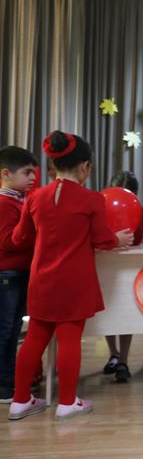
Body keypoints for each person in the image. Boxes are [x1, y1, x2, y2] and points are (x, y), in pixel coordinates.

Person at [7, 131, 133, 421]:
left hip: (41, 279)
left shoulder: (35, 197)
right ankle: (67, 403)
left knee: (34, 339)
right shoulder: (91, 199)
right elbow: (102, 240)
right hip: (74, 282)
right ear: (85, 166)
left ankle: (20, 401)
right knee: (69, 340)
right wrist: (118, 239)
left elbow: (19, 238)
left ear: (53, 165)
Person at [0, 146, 38, 404]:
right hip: (7, 275)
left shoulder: (19, 200)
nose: (33, 178)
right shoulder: (5, 203)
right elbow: (7, 241)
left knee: (13, 330)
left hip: (20, 273)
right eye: (27, 173)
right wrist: (32, 228)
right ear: (6, 174)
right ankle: (3, 385)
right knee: (5, 331)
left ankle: (8, 381)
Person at [101, 170, 141, 383]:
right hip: (106, 264)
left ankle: (123, 359)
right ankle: (113, 354)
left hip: (127, 266)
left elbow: (140, 236)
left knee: (125, 314)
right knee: (108, 311)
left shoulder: (139, 209)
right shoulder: (101, 206)